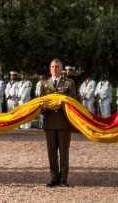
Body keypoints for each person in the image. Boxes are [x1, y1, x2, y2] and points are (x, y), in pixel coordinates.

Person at [41, 58, 79, 187]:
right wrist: (44, 107)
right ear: (49, 68)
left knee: (63, 152)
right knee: (51, 152)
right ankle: (53, 178)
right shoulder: (44, 84)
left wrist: (61, 104)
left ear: (61, 69)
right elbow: (40, 103)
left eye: (57, 67)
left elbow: (73, 102)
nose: (54, 69)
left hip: (64, 123)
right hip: (49, 123)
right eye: (52, 67)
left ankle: (63, 179)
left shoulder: (69, 83)